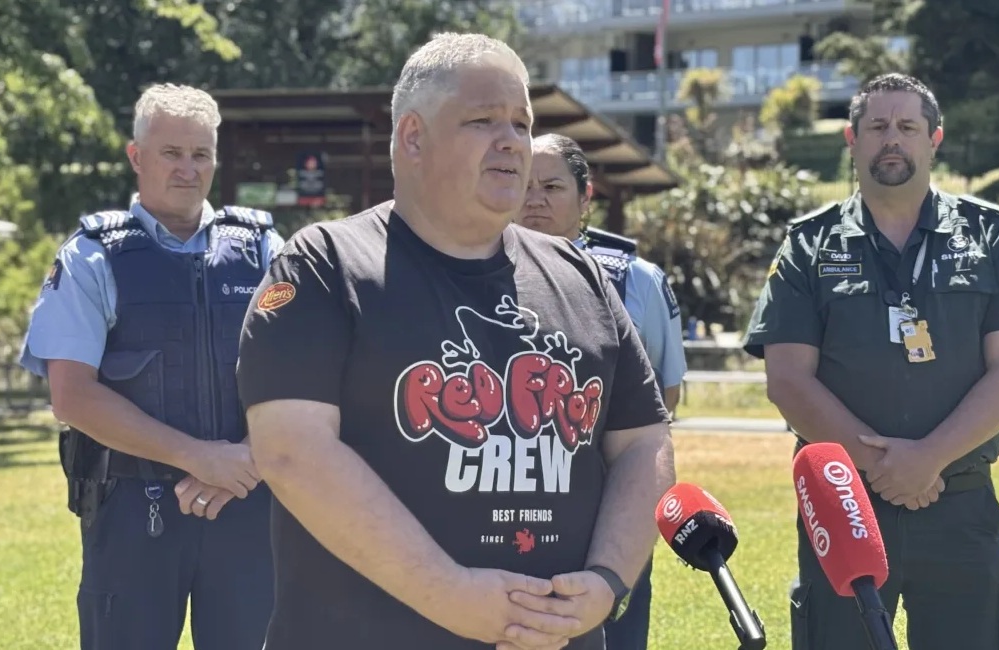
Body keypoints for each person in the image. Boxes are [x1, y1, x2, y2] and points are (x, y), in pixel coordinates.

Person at [236, 32, 676, 650]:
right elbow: (291, 450)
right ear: (413, 137)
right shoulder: (324, 265)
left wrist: (605, 583)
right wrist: (451, 593)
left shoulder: (581, 276)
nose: (511, 141)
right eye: (482, 120)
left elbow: (643, 443)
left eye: (521, 123)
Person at [742, 72, 999, 650]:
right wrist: (886, 467)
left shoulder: (994, 237)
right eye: (877, 127)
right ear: (852, 139)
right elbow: (788, 380)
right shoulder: (809, 245)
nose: (892, 139)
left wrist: (929, 458)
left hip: (960, 499)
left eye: (907, 126)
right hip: (844, 504)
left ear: (934, 138)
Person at [19, 83, 284, 650]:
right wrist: (199, 457)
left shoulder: (263, 249)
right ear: (136, 157)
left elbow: (305, 373)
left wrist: (248, 462)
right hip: (133, 514)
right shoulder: (92, 255)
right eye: (171, 153)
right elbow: (73, 397)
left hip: (245, 503)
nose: (188, 169)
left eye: (201, 154)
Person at [516, 132, 688, 650]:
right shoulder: (469, 269)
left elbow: (666, 394)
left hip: (612, 500)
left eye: (551, 186)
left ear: (585, 196)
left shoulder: (636, 280)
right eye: (523, 185)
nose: (535, 200)